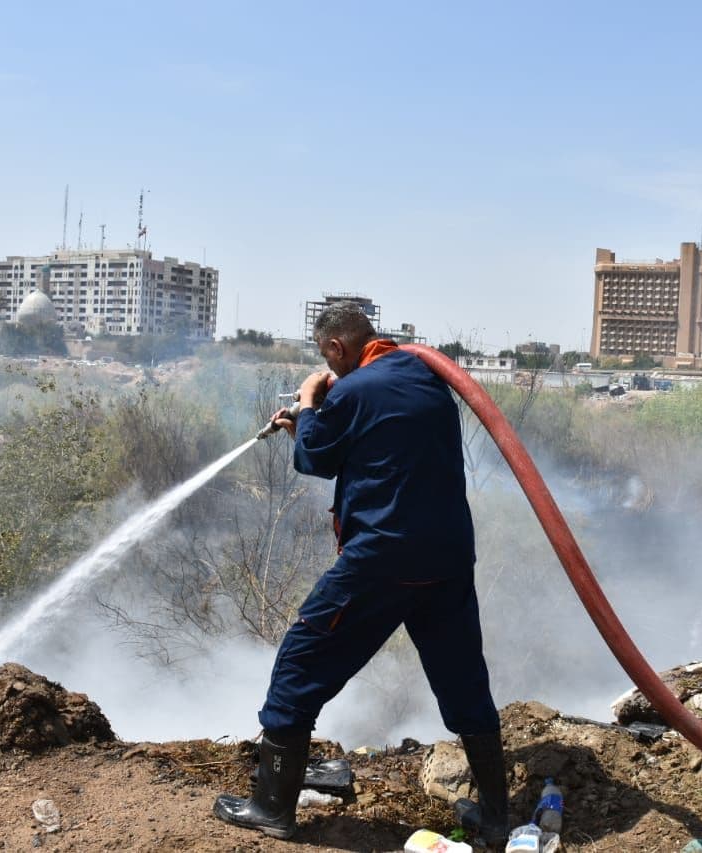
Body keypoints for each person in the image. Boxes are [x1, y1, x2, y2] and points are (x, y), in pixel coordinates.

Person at [213, 302, 508, 846]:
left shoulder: (351, 391)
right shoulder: (425, 378)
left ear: (334, 350)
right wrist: (313, 420)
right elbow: (374, 440)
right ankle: (495, 817)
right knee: (464, 679)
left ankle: (272, 808)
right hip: (445, 561)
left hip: (381, 562)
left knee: (299, 664)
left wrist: (306, 403)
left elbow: (317, 460)